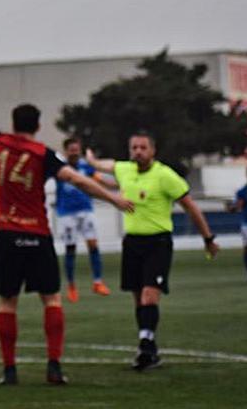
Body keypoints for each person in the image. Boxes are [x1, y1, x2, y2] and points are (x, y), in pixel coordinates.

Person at [0, 76, 133, 386]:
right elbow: (78, 180)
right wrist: (113, 198)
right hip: (37, 233)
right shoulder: (43, 154)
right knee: (52, 299)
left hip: (6, 232)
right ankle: (54, 366)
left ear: (13, 123)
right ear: (38, 125)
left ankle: (9, 370)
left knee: (7, 302)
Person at [86, 132, 219, 371]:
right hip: (132, 243)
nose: (138, 151)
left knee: (149, 295)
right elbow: (106, 165)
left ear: (152, 151)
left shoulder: (165, 176)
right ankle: (149, 346)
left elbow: (191, 207)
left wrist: (208, 238)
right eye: (134, 147)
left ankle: (146, 345)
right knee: (138, 298)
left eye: (143, 147)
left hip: (157, 243)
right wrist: (92, 161)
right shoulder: (125, 170)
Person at [55, 137, 114, 302]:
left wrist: (118, 187)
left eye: (76, 149)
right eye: (71, 150)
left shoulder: (85, 166)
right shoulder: (59, 167)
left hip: (86, 210)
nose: (74, 152)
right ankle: (72, 286)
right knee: (70, 249)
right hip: (66, 213)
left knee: (93, 245)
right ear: (66, 151)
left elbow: (99, 180)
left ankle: (97, 282)